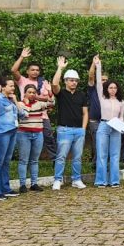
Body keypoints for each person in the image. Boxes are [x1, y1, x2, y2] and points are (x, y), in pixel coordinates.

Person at [51, 56, 88, 190]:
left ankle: (76, 180)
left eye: (76, 80)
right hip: (64, 130)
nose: (74, 83)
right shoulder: (61, 93)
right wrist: (60, 68)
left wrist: (83, 129)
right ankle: (57, 180)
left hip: (79, 130)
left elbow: (85, 113)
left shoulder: (81, 95)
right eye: (71, 80)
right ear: (65, 81)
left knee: (77, 157)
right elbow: (54, 84)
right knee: (61, 156)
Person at [11, 47, 55, 158]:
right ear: (27, 71)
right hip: (26, 115)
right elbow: (14, 70)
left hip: (42, 116)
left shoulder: (43, 83)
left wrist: (37, 98)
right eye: (32, 70)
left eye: (37, 70)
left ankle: (55, 160)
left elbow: (50, 99)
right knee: (26, 139)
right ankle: (27, 160)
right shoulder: (23, 81)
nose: (35, 72)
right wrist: (22, 57)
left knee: (49, 137)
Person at [92, 56, 124, 188]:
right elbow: (98, 84)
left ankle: (114, 180)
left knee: (115, 154)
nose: (113, 90)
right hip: (104, 125)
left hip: (116, 128)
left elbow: (121, 117)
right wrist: (98, 66)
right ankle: (101, 181)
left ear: (117, 89)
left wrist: (123, 127)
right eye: (110, 87)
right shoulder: (102, 98)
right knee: (102, 154)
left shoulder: (121, 102)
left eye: (115, 88)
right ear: (107, 89)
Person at [16, 84, 49, 192]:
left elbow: (52, 103)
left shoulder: (39, 104)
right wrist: (26, 103)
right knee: (23, 160)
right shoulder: (19, 104)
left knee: (34, 160)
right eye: (29, 92)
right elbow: (24, 114)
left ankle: (34, 183)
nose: (31, 94)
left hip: (38, 134)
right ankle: (22, 184)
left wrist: (49, 91)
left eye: (34, 92)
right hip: (24, 134)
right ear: (24, 93)